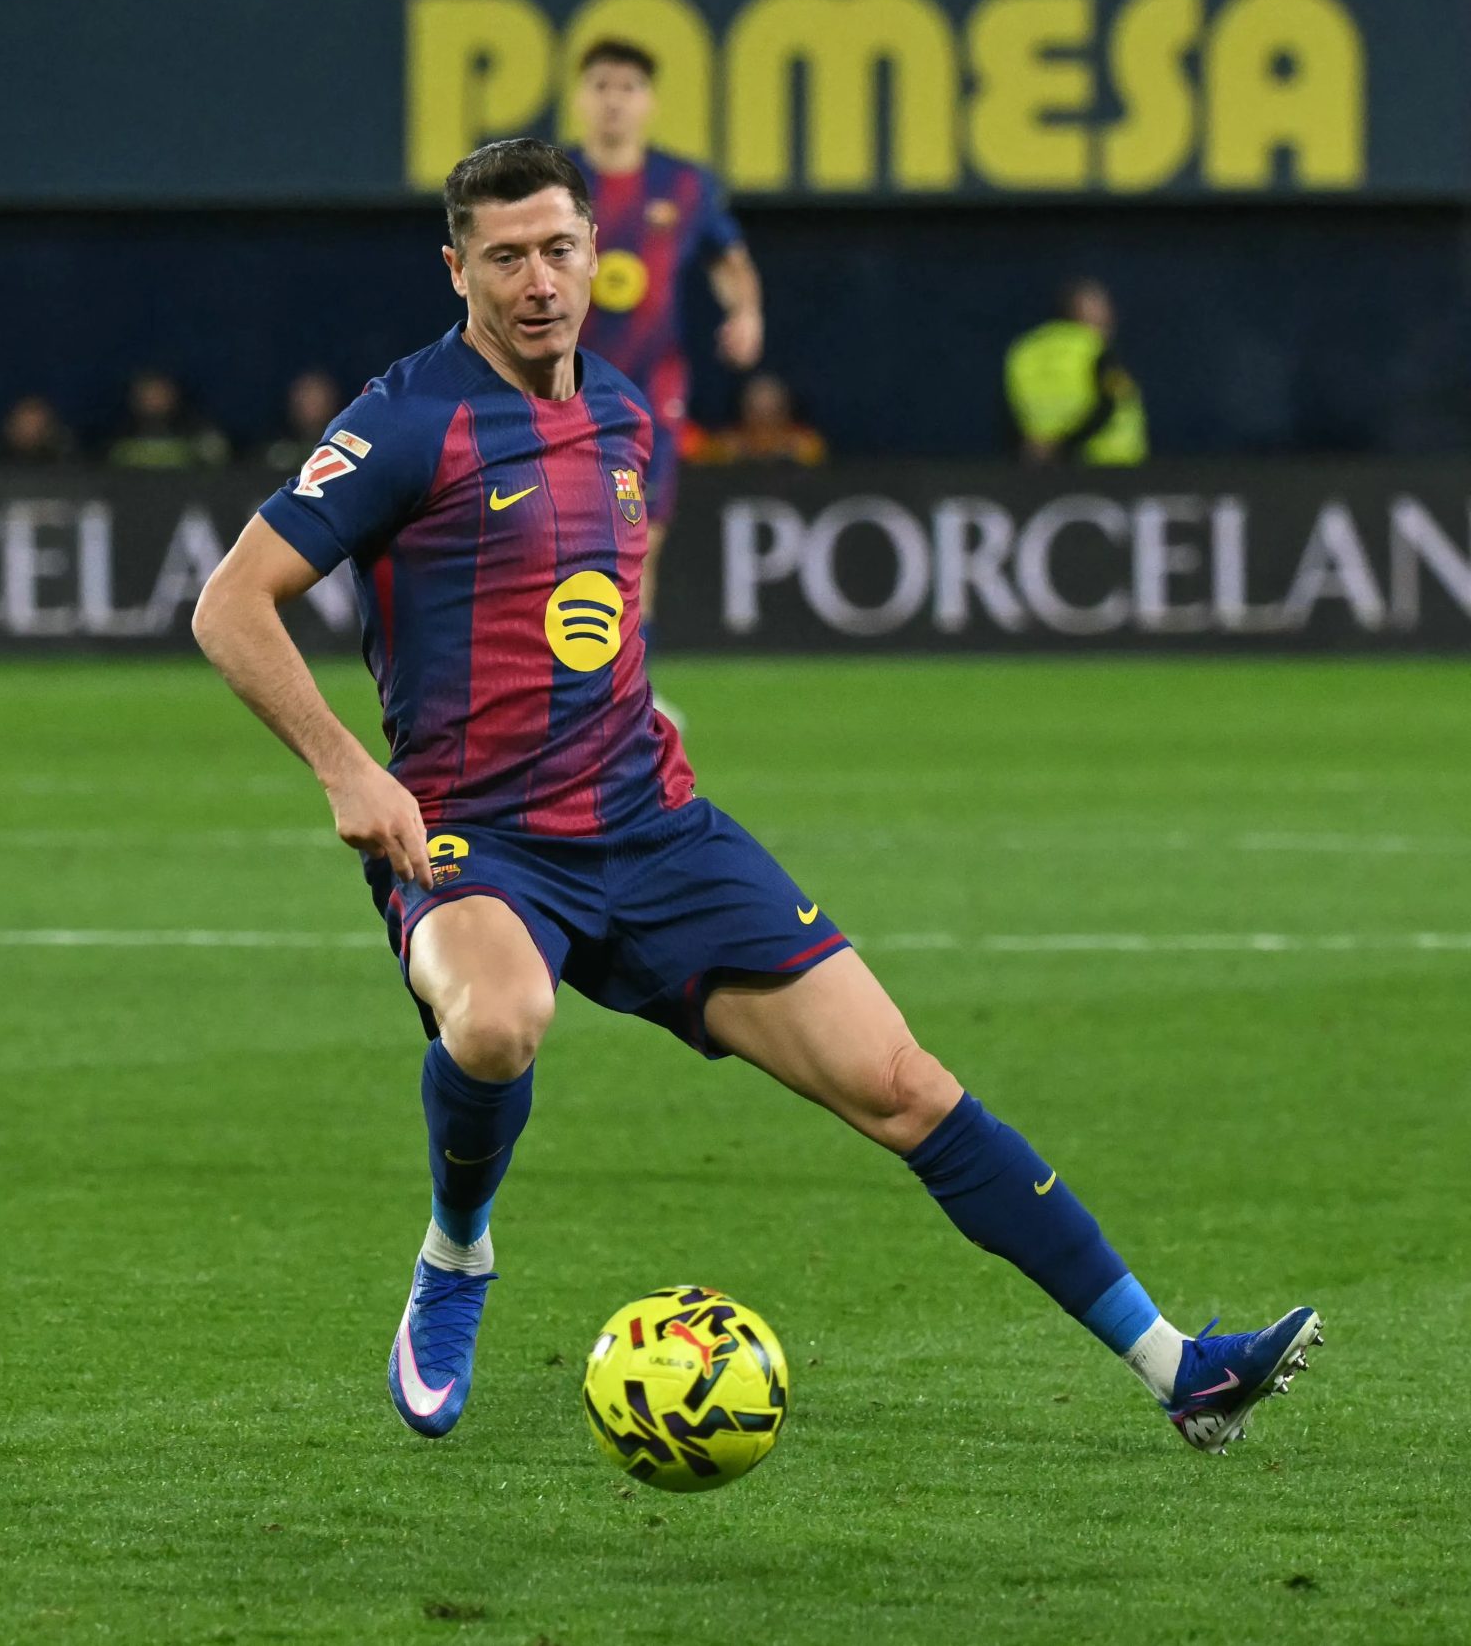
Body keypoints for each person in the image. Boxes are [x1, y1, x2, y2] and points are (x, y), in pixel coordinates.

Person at [190, 137, 1318, 1455]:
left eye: (558, 249)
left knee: (903, 1083)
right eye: (504, 258)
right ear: (458, 270)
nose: (538, 281)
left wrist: (638, 710)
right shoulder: (405, 418)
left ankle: (1179, 1365)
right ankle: (457, 1254)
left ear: (595, 253)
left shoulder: (625, 412)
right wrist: (347, 765)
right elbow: (230, 604)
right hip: (476, 838)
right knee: (497, 1021)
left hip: (653, 830)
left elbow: (586, 612)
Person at [568, 39, 762, 721]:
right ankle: (556, 691)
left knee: (640, 540)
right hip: (558, 389)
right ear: (581, 97)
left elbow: (728, 258)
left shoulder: (684, 185)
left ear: (648, 101)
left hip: (649, 394)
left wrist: (746, 312)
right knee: (555, 542)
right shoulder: (553, 180)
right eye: (601, 85)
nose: (614, 100)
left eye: (627, 87)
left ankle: (624, 698)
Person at [1007, 278, 1146, 465]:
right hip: (1108, 462)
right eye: (1099, 305)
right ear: (1077, 309)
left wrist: (1047, 446)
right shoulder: (1094, 349)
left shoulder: (1025, 348)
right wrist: (1063, 445)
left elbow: (1010, 409)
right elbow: (1108, 406)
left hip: (1042, 463)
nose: (1109, 313)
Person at [688, 371, 825, 466]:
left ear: (786, 411)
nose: (764, 419)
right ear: (744, 411)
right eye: (756, 410)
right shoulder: (725, 444)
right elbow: (697, 464)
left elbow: (822, 467)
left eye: (773, 410)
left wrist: (787, 451)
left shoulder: (804, 444)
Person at [106, 369, 231, 468]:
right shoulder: (119, 437)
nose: (155, 402)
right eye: (149, 396)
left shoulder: (197, 432)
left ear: (174, 396)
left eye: (160, 394)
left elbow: (217, 462)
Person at [259, 370, 345, 473]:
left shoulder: (344, 446)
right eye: (305, 397)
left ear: (331, 401)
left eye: (316, 399)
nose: (311, 406)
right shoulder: (275, 444)